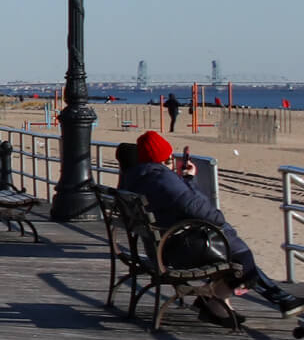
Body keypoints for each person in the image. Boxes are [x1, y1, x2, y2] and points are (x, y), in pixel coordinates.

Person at [120, 130, 304, 318]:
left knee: (231, 246)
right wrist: (189, 181)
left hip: (159, 247)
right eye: (170, 156)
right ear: (163, 158)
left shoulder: (133, 178)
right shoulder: (162, 179)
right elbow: (205, 212)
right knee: (237, 254)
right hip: (175, 253)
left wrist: (183, 179)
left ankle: (273, 299)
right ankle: (215, 300)